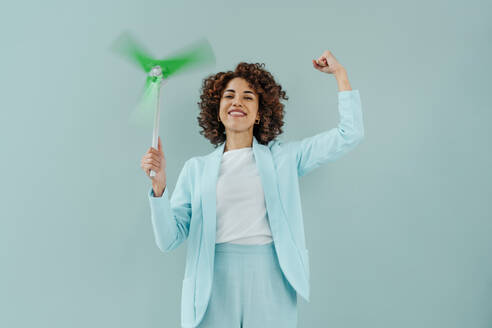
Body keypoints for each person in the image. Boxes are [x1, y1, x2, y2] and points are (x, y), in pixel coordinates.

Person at [140, 50, 364, 328]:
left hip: (271, 280)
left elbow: (349, 134)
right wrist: (159, 189)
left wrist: (340, 75)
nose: (237, 102)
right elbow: (168, 239)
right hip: (211, 284)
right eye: (229, 95)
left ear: (259, 114)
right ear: (218, 109)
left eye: (248, 97)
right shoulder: (196, 169)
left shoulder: (284, 159)